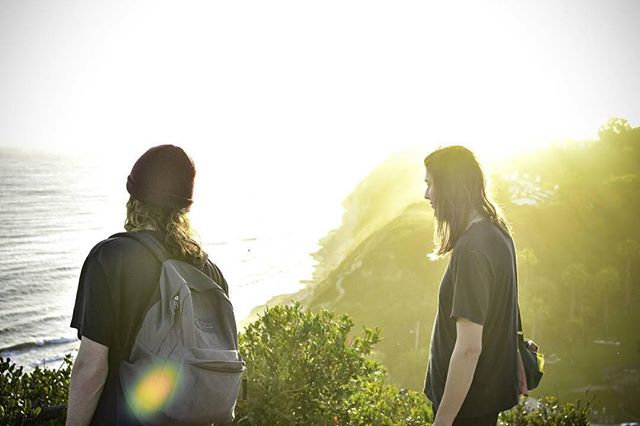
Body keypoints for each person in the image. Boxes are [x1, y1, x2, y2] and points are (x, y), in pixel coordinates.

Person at [67, 145, 229, 425]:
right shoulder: (210, 271)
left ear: (134, 197)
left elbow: (91, 366)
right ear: (184, 207)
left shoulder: (110, 258)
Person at [422, 146, 519, 426]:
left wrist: (442, 422)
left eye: (430, 184)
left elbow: (468, 349)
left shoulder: (472, 249)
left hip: (465, 410)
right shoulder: (498, 231)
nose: (426, 195)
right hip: (480, 403)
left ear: (450, 186)